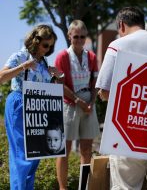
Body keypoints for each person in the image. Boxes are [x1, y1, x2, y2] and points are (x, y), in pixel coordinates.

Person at [96, 7, 147, 190]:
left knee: (126, 186)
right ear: (143, 23)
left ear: (121, 25)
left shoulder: (118, 45)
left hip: (130, 131)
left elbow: (105, 90)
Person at [0, 24, 59, 190]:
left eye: (51, 46)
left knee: (35, 155)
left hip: (38, 106)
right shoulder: (20, 55)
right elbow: (1, 77)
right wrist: (22, 67)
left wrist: (55, 76)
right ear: (35, 41)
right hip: (19, 103)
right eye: (45, 45)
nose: (48, 49)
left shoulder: (44, 62)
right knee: (21, 155)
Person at [54, 20, 100, 190]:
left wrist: (92, 102)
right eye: (76, 36)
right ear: (69, 36)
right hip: (70, 105)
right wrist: (78, 101)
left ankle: (83, 186)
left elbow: (96, 80)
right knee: (64, 150)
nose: (79, 40)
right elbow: (60, 84)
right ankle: (63, 188)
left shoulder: (92, 56)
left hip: (88, 104)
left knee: (86, 150)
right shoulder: (62, 56)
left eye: (82, 36)